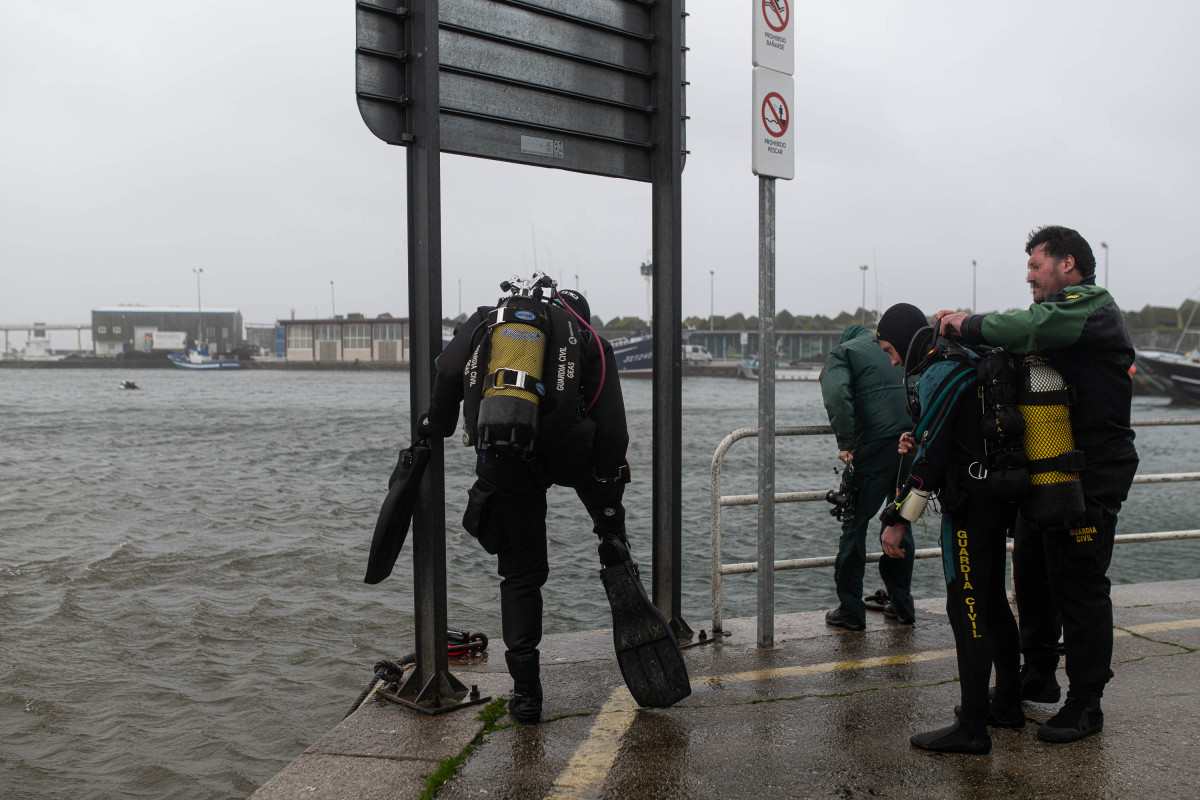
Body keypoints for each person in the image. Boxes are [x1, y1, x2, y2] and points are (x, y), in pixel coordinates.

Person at [937, 225, 1139, 743]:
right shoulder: (1060, 314)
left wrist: (968, 322)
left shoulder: (1091, 309)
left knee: (1079, 584)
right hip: (1049, 471)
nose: (1028, 276)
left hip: (1091, 473)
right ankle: (1041, 674)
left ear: (1067, 264)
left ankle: (1086, 704)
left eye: (1036, 265)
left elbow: (1029, 328)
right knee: (1031, 572)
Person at [419, 283, 633, 725]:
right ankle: (616, 555)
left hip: (507, 450)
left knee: (520, 577)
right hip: (571, 449)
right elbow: (612, 431)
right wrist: (608, 499)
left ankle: (527, 695)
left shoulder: (487, 320)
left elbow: (446, 373)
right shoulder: (590, 341)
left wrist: (435, 424)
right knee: (605, 499)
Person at [876, 303, 1023, 755]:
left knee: (967, 608)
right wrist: (921, 437)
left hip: (968, 509)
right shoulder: (969, 361)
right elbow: (950, 433)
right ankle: (1009, 706)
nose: (892, 361)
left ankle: (973, 727)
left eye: (889, 349)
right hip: (994, 498)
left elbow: (934, 460)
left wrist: (897, 520)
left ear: (903, 341)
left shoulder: (939, 370)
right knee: (993, 600)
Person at [819, 325, 915, 631]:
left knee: (854, 524)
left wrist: (845, 442)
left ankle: (850, 611)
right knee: (899, 521)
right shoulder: (896, 346)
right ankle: (901, 606)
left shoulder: (843, 352)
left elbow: (836, 392)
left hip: (872, 447)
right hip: (910, 442)